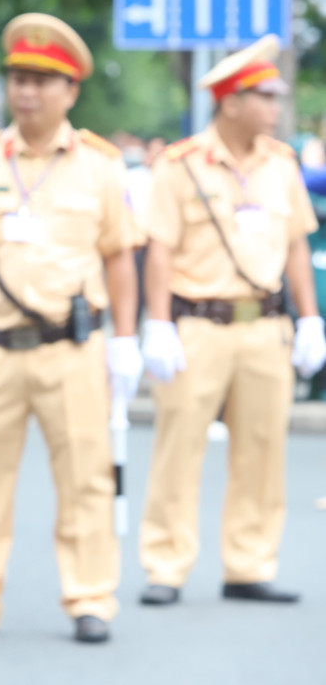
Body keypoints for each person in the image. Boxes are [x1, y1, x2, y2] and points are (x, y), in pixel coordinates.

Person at [0, 13, 142, 644]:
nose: (28, 91)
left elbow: (121, 256)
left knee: (87, 478)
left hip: (73, 349)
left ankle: (91, 596)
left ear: (71, 91)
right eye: (19, 77)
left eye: (44, 79)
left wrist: (127, 340)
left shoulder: (100, 165)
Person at [138, 34, 324, 607]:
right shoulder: (181, 165)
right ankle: (166, 565)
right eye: (265, 95)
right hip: (199, 323)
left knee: (263, 450)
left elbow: (296, 246)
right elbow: (160, 248)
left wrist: (311, 320)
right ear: (231, 102)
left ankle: (248, 563)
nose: (276, 106)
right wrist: (158, 323)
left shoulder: (281, 164)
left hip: (265, 327)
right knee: (180, 446)